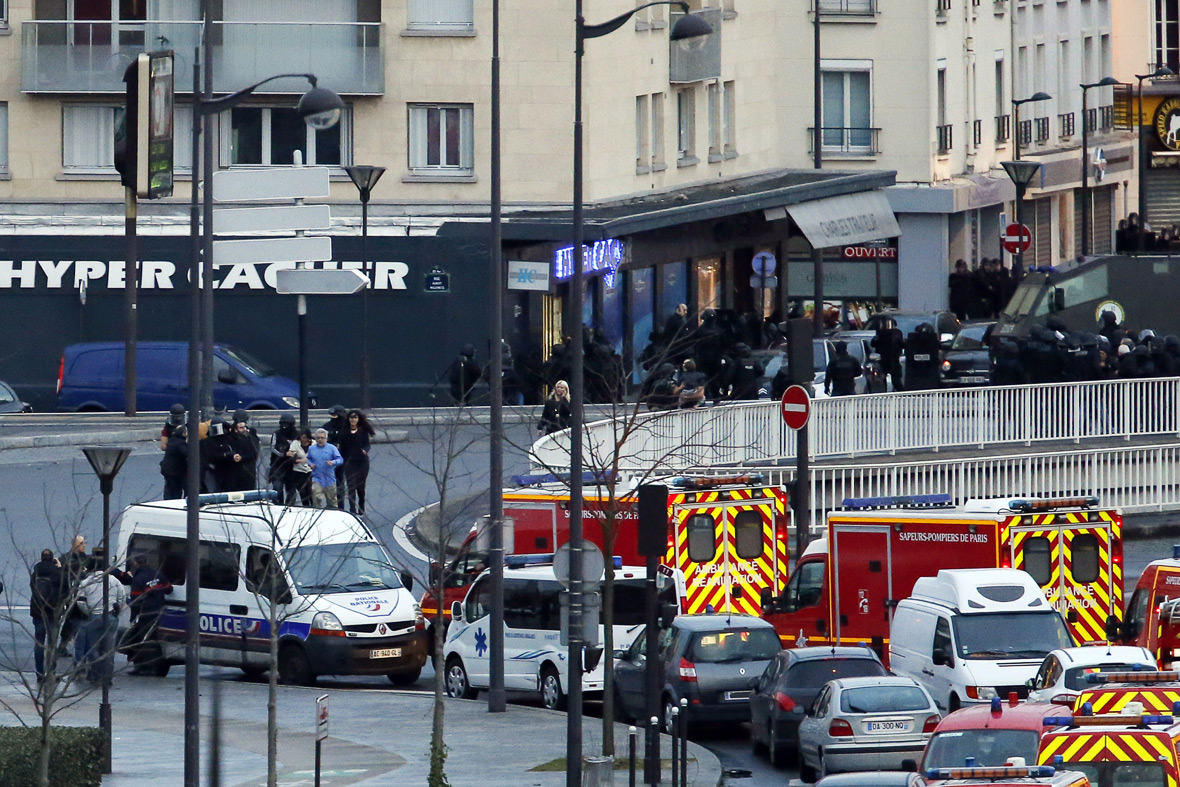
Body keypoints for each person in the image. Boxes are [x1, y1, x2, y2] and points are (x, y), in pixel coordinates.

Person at [75, 550, 126, 684]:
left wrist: (89, 611)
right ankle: (107, 677)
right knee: (109, 649)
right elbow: (122, 596)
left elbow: (80, 601)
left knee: (94, 648)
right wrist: (117, 609)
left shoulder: (86, 582)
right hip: (110, 616)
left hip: (94, 617)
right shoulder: (114, 581)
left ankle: (95, 675)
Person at [116, 554, 173, 675]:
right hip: (157, 611)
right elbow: (169, 589)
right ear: (146, 561)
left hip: (144, 614)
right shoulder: (157, 573)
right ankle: (149, 666)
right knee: (152, 639)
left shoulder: (139, 579)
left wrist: (133, 619)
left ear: (135, 563)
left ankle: (144, 668)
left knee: (141, 640)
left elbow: (136, 601)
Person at [29, 548, 65, 683]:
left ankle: (39, 673)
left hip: (37, 611)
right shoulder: (56, 572)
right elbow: (65, 588)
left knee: (39, 643)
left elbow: (32, 587)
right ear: (52, 559)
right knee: (52, 644)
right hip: (52, 612)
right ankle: (51, 672)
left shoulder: (36, 572)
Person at [338, 410, 375, 516]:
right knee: (351, 486)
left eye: (355, 417)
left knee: (361, 487)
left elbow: (367, 444)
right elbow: (341, 445)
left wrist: (365, 450)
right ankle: (352, 509)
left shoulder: (363, 431)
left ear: (358, 419)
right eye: (351, 417)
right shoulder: (344, 432)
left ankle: (361, 505)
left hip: (362, 462)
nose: (353, 419)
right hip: (349, 462)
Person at [320, 406, 348, 509]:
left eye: (336, 415)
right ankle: (331, 504)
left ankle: (340, 506)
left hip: (343, 458)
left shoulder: (347, 427)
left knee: (340, 482)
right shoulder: (327, 427)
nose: (333, 418)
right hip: (329, 458)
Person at [307, 428, 343, 508]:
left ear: (326, 439)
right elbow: (308, 458)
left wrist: (333, 462)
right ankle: (317, 514)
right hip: (317, 478)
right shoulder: (311, 448)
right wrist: (310, 464)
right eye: (318, 438)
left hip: (329, 479)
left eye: (322, 438)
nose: (320, 440)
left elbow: (340, 460)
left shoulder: (332, 448)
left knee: (332, 501)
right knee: (316, 498)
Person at [268, 414, 299, 503]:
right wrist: (284, 454)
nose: (284, 427)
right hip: (277, 466)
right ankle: (278, 505)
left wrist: (295, 455)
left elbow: (301, 448)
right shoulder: (276, 434)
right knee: (278, 489)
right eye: (283, 424)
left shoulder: (297, 435)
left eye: (287, 424)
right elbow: (273, 448)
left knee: (291, 490)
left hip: (292, 467)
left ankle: (290, 507)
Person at [226, 417, 260, 491]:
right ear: (236, 429)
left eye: (244, 427)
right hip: (234, 472)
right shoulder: (230, 438)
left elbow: (254, 453)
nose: (244, 429)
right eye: (241, 428)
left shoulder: (250, 439)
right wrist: (233, 455)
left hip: (248, 472)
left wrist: (242, 457)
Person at [872, 319, 905, 391]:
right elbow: (873, 343)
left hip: (893, 360)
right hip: (885, 360)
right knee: (884, 380)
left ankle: (903, 394)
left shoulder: (897, 333)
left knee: (896, 381)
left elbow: (902, 344)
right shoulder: (880, 334)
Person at [160, 424, 188, 500]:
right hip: (175, 472)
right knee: (176, 491)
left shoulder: (172, 440)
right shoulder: (180, 443)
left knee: (169, 489)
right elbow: (187, 453)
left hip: (167, 470)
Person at [289, 429, 314, 506]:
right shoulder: (295, 444)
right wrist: (297, 461)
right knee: (302, 492)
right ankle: (306, 506)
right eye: (303, 437)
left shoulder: (314, 444)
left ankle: (314, 506)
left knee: (311, 492)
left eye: (306, 438)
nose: (304, 440)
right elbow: (291, 456)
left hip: (310, 471)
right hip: (299, 471)